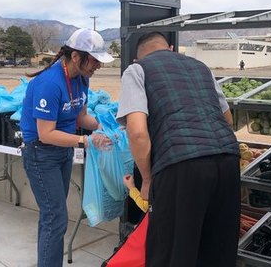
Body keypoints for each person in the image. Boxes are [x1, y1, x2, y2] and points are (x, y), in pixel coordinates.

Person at [116, 32, 240, 267]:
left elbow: (137, 131)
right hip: (227, 161)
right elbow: (228, 120)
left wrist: (148, 179)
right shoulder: (201, 67)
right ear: (170, 48)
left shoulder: (137, 70)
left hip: (181, 166)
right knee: (217, 253)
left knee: (172, 254)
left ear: (138, 57)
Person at [20, 28, 114, 267]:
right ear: (76, 56)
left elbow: (81, 117)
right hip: (41, 153)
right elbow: (46, 133)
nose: (98, 66)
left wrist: (106, 126)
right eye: (94, 60)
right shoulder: (49, 84)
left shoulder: (82, 78)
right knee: (56, 217)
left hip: (63, 152)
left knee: (52, 216)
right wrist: (86, 141)